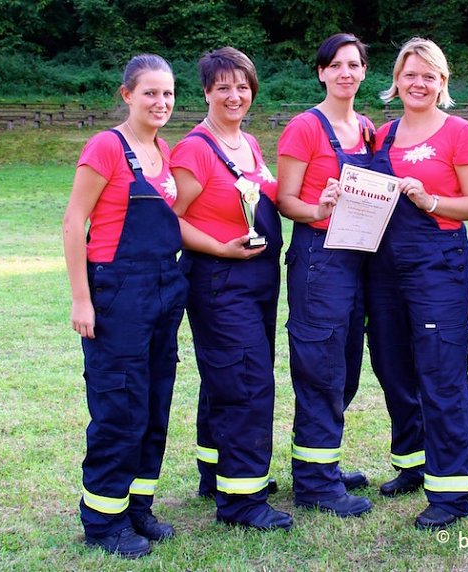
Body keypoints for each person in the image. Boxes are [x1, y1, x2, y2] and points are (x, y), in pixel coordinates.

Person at [63, 54, 188, 558]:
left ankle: (137, 506)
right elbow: (75, 222)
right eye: (151, 93)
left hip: (164, 290)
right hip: (117, 293)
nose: (161, 103)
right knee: (120, 405)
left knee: (154, 401)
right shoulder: (106, 147)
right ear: (127, 95)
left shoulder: (166, 151)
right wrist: (81, 298)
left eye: (168, 94)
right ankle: (102, 520)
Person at [366, 37, 468, 530]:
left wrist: (432, 200)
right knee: (392, 366)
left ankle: (451, 489)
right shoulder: (382, 134)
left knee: (440, 372)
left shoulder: (458, 132)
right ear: (396, 81)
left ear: (443, 83)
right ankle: (412, 463)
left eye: (429, 75)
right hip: (384, 266)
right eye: (409, 74)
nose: (418, 83)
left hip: (437, 264)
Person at [170, 47, 291, 531]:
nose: (234, 95)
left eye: (242, 86)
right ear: (206, 92)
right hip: (221, 282)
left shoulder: (249, 143)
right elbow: (170, 220)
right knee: (246, 382)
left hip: (257, 279)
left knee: (226, 378)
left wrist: (318, 196)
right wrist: (220, 248)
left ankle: (217, 471)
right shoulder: (195, 149)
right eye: (223, 87)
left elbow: (265, 192)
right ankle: (242, 502)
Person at [275, 33, 374, 518]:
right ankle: (315, 484)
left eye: (354, 65)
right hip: (319, 259)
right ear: (321, 72)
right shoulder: (304, 127)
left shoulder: (367, 127)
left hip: (359, 259)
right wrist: (319, 207)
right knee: (320, 369)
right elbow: (284, 199)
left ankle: (323, 464)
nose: (345, 73)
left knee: (346, 368)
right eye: (335, 65)